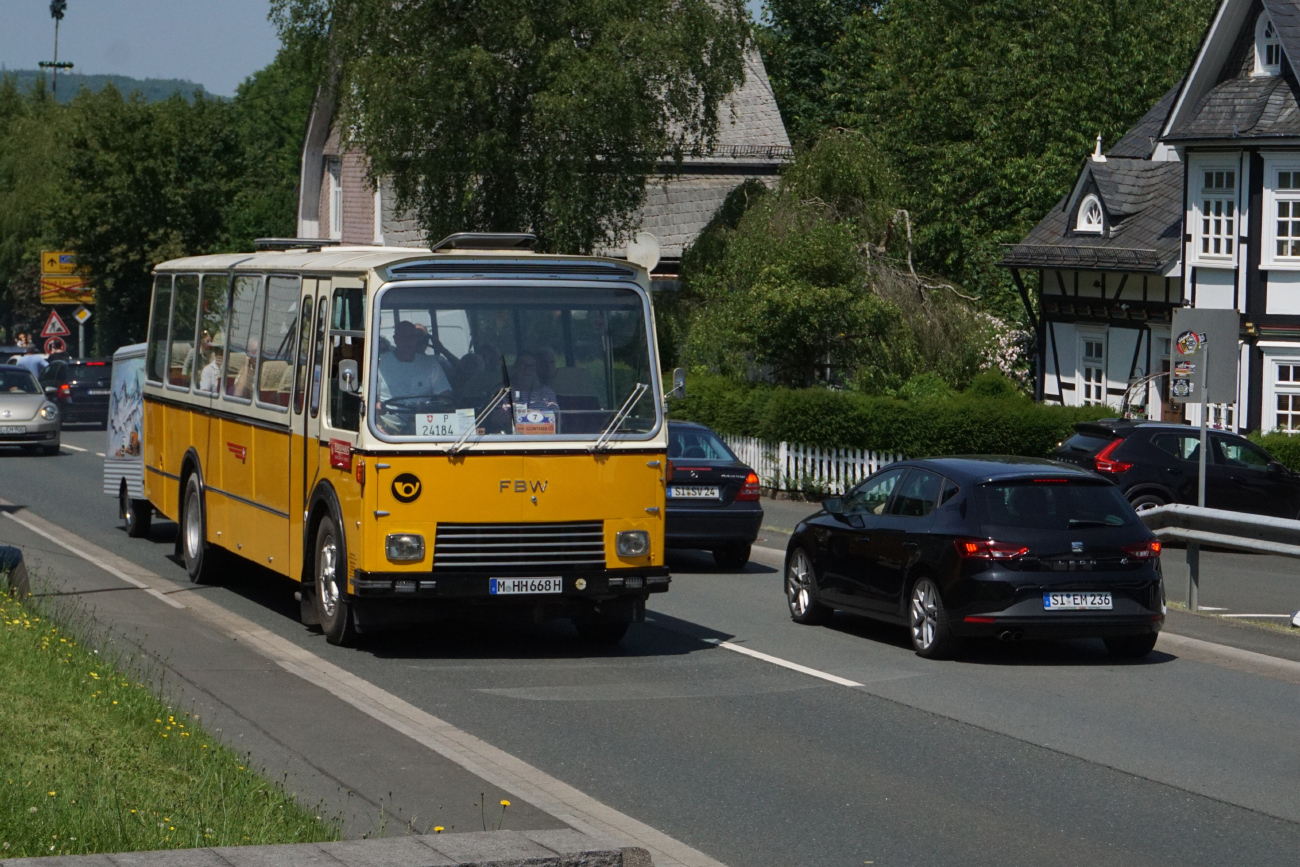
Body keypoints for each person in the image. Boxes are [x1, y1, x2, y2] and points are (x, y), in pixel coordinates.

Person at [377, 320, 452, 402]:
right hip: (388, 413)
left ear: (416, 339)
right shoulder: (379, 363)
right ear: (395, 339)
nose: (407, 342)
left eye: (411, 337)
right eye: (403, 337)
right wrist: (378, 407)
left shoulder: (430, 363)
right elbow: (368, 396)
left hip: (423, 413)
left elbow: (444, 394)